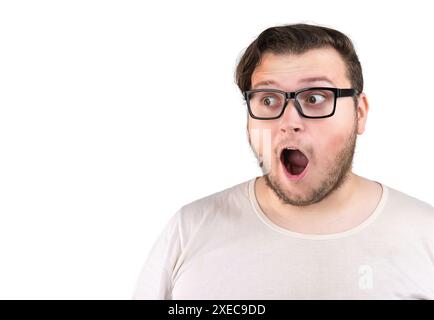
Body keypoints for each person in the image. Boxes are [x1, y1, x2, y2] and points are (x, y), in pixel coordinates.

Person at [133, 23, 434, 300]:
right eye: (267, 99)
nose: (289, 121)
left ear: (359, 113)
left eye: (315, 98)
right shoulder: (189, 230)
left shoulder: (425, 233)